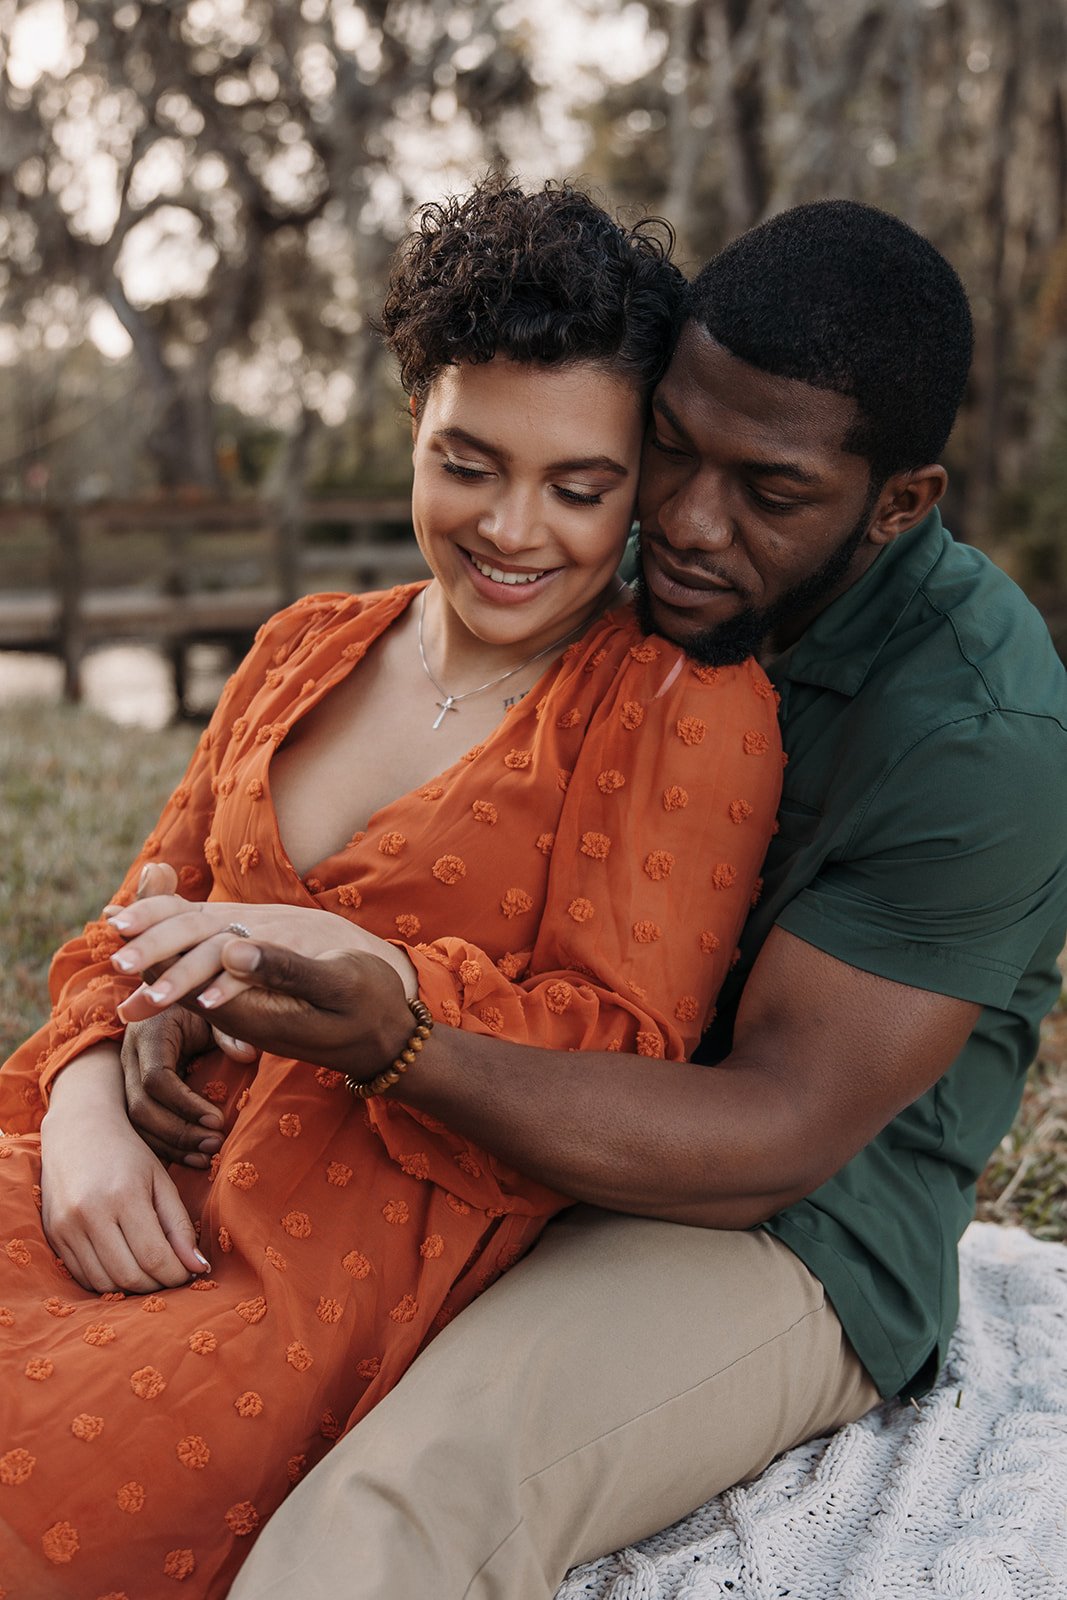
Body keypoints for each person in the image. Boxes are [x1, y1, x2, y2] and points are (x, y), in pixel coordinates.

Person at [118, 199, 1067, 1600]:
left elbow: (777, 1131)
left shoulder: (978, 735)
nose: (682, 522)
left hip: (777, 1226)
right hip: (505, 1107)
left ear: (901, 501)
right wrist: (175, 1001)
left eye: (770, 490)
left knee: (390, 1509)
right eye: (670, 449)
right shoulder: (621, 542)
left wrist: (402, 1044)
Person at [0, 180, 783, 1596]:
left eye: (580, 486)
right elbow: (130, 925)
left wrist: (370, 974)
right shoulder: (305, 643)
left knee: (44, 1474)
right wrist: (80, 1114)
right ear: (412, 421)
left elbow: (624, 1050)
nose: (516, 529)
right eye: (469, 463)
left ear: (642, 484)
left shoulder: (673, 706)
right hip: (113, 1163)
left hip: (318, 1258)